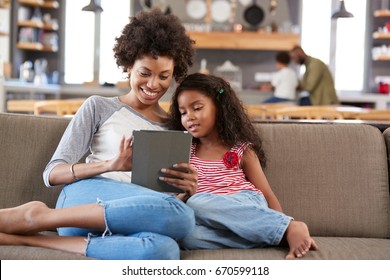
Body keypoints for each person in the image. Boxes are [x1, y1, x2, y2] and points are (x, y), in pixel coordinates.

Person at [0, 9, 197, 260]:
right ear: (128, 66)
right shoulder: (99, 107)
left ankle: (35, 237)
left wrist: (187, 190)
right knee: (181, 216)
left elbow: (161, 203)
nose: (153, 85)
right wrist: (110, 165)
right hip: (85, 199)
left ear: (174, 74)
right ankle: (42, 216)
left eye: (164, 76)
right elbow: (52, 173)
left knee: (166, 250)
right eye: (144, 73)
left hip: (134, 217)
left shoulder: (176, 126)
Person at [164, 73, 318, 259]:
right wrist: (184, 195)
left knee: (198, 202)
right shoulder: (184, 152)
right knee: (187, 236)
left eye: (197, 108)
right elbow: (176, 202)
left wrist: (281, 220)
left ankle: (287, 226)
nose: (189, 117)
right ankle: (271, 236)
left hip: (246, 202)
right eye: (183, 112)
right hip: (209, 219)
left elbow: (267, 194)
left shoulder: (241, 149)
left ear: (219, 108)